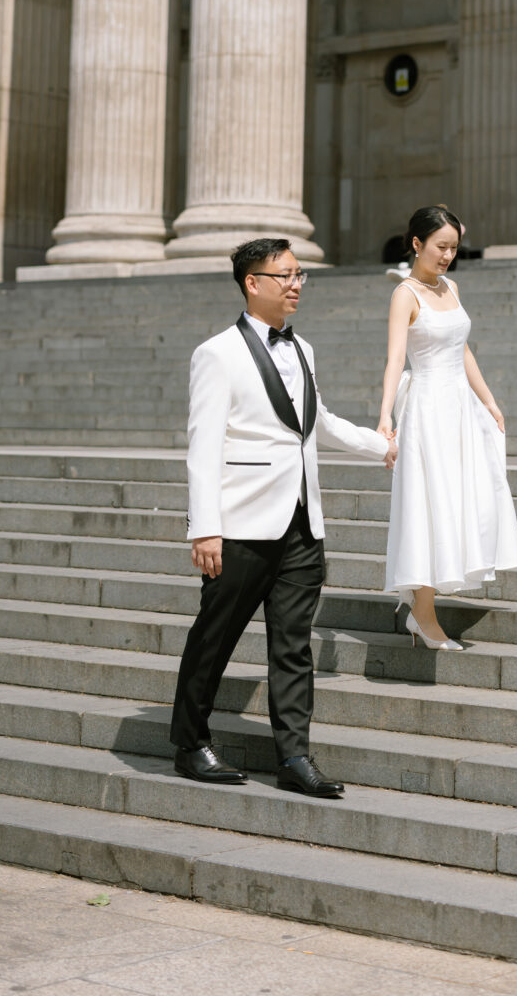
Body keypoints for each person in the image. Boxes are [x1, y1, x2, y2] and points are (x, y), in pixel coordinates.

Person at [169, 238, 396, 797]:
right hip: (241, 525)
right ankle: (190, 744)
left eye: (301, 275)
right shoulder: (216, 353)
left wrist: (379, 445)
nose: (296, 284)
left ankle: (294, 756)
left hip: (301, 523)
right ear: (253, 282)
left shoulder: (304, 350)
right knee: (214, 637)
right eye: (286, 275)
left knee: (293, 645)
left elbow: (314, 422)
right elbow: (203, 445)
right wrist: (205, 526)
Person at [377, 205, 517, 649]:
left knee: (460, 504)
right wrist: (385, 417)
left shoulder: (452, 286)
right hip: (427, 410)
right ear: (417, 244)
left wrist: (489, 400)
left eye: (454, 248)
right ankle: (423, 615)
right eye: (441, 247)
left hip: (460, 409)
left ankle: (422, 607)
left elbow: (464, 351)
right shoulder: (406, 293)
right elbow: (396, 359)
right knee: (429, 505)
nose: (447, 256)